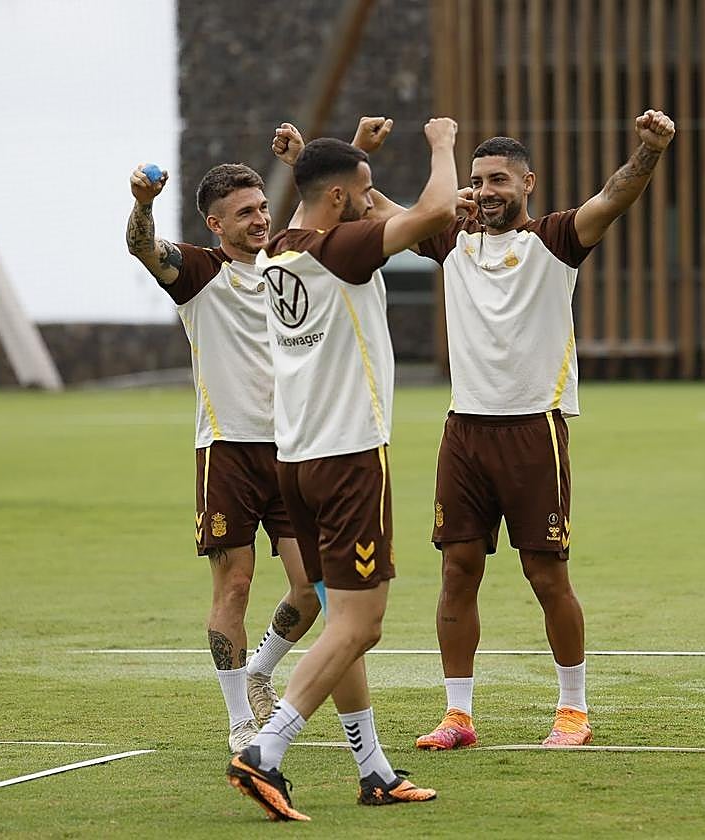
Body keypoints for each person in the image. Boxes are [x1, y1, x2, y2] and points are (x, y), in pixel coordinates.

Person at [123, 118, 392, 754]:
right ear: (215, 224)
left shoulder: (287, 259)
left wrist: (331, 151)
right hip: (228, 450)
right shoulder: (198, 273)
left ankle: (262, 672)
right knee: (235, 583)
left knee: (311, 590)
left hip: (296, 447)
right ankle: (241, 716)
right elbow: (142, 248)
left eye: (262, 206)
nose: (258, 219)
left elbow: (332, 206)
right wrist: (141, 205)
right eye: (243, 212)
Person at [412, 110, 676, 750]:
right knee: (458, 571)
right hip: (464, 432)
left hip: (534, 430)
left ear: (529, 182)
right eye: (477, 181)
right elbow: (384, 209)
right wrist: (314, 158)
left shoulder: (555, 240)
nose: (486, 191)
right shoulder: (451, 241)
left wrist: (648, 150)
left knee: (546, 574)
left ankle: (573, 711)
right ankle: (458, 715)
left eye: (500, 179)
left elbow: (614, 197)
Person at [225, 118, 460, 821]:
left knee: (338, 621)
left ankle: (374, 769)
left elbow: (334, 192)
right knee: (362, 624)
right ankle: (265, 752)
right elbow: (437, 214)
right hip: (351, 457)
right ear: (335, 203)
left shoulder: (277, 250)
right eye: (361, 195)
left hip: (297, 461)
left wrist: (344, 160)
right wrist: (443, 144)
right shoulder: (341, 250)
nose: (369, 204)